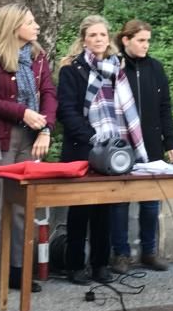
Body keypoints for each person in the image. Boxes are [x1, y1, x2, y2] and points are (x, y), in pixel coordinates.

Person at [58, 16, 148, 284]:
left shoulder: (115, 69)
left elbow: (124, 110)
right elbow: (67, 111)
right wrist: (92, 138)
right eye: (93, 35)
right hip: (82, 148)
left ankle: (100, 265)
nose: (99, 39)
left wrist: (114, 144)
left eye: (102, 35)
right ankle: (75, 266)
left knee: (105, 210)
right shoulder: (71, 70)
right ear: (83, 39)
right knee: (80, 210)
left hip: (112, 149)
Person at [0, 4, 56, 296]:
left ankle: (17, 271)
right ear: (13, 26)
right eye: (31, 21)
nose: (36, 26)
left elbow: (49, 94)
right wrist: (22, 112)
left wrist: (45, 127)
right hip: (1, 137)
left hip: (32, 137)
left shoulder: (38, 57)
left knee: (26, 204)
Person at [110, 20, 173, 274]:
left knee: (151, 203)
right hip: (121, 146)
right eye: (141, 40)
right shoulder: (115, 67)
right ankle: (121, 254)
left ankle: (149, 251)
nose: (145, 45)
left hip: (151, 145)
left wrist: (170, 142)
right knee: (120, 203)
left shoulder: (156, 68)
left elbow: (165, 107)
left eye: (148, 40)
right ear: (126, 40)